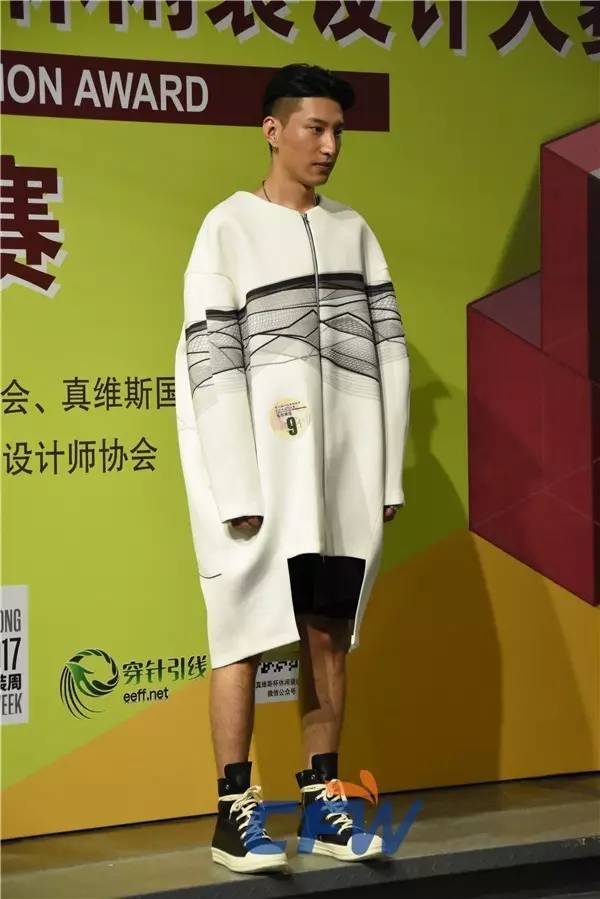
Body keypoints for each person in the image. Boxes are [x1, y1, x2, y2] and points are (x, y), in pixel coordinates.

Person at [173, 63, 410, 874]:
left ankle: (320, 803)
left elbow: (388, 353)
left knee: (328, 635)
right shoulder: (226, 230)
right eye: (316, 127)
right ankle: (233, 811)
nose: (330, 145)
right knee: (242, 634)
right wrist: (236, 484)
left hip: (338, 480)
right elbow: (208, 362)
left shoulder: (354, 233)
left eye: (339, 130)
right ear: (273, 130)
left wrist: (384, 474)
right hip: (259, 481)